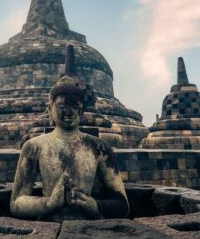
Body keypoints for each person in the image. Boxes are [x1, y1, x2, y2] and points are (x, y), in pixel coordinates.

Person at [10, 45, 128, 221]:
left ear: (81, 112)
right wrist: (49, 204)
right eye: (62, 107)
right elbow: (16, 202)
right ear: (50, 109)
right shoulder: (34, 146)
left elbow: (122, 205)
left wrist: (94, 205)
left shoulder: (99, 148)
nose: (69, 113)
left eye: (75, 107)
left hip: (89, 231)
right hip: (48, 230)